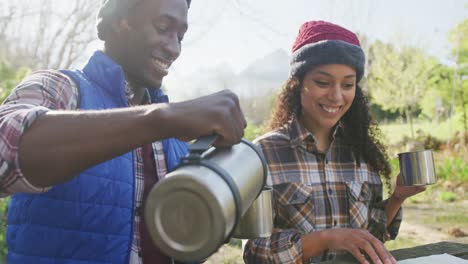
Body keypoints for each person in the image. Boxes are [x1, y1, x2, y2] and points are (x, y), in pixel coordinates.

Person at [0, 0, 246, 263]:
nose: (174, 48)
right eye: (163, 27)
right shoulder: (61, 87)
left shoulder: (176, 134)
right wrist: (161, 119)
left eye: (181, 36)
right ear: (119, 20)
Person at [243, 21, 425, 264]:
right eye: (323, 82)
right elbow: (255, 252)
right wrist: (327, 239)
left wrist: (397, 197)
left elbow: (371, 237)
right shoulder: (262, 155)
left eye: (347, 84)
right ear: (298, 83)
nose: (337, 96)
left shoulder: (362, 152)